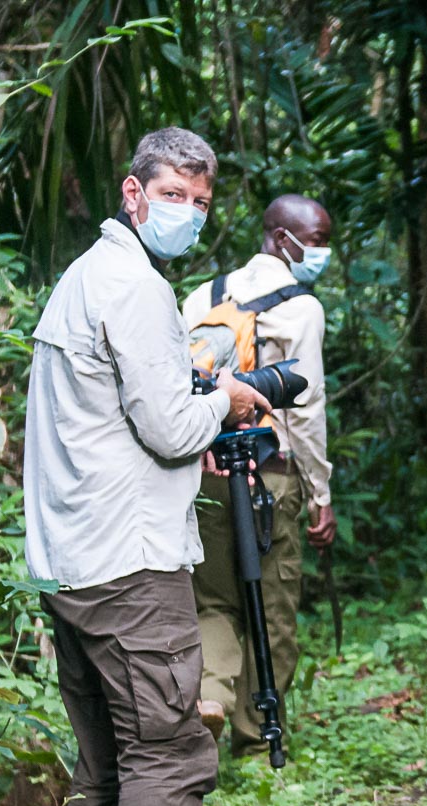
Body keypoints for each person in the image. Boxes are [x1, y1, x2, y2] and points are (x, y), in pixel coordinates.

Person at [23, 127, 271, 806]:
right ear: (135, 193)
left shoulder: (88, 277)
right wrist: (227, 401)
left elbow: (122, 424)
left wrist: (189, 424)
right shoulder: (131, 285)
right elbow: (170, 426)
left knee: (108, 754)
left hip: (73, 559)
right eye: (175, 195)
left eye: (202, 202)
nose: (188, 213)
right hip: (128, 565)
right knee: (168, 748)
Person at [180, 195, 338, 754]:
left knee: (214, 603)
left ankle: (212, 699)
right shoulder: (303, 309)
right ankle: (254, 736)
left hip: (203, 471)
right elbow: (309, 408)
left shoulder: (202, 296)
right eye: (313, 240)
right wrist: (320, 494)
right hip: (270, 474)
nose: (318, 252)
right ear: (279, 238)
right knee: (272, 608)